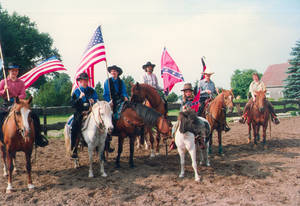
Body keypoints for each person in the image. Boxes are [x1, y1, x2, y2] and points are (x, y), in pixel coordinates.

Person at [0, 63, 48, 147]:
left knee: (34, 116)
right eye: (12, 71)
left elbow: (23, 94)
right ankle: (2, 137)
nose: (14, 72)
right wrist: (4, 91)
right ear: (9, 71)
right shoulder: (4, 82)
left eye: (16, 71)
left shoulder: (21, 82)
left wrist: (17, 98)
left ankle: (38, 138)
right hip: (7, 104)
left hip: (19, 103)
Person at [70, 73, 98, 159]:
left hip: (91, 111)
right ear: (80, 81)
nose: (85, 82)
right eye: (83, 80)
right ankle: (74, 147)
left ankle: (106, 144)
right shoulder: (76, 91)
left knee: (101, 123)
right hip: (80, 112)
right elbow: (73, 104)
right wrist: (79, 98)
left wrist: (94, 101)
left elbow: (97, 99)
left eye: (86, 80)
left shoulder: (92, 90)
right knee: (75, 126)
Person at [103, 65, 129, 152]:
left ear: (118, 73)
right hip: (111, 102)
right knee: (108, 116)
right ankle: (108, 135)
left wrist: (125, 96)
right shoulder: (107, 81)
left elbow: (124, 92)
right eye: (112, 71)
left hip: (120, 100)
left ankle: (128, 128)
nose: (113, 73)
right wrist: (109, 102)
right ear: (110, 73)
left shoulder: (121, 82)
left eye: (115, 71)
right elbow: (106, 94)